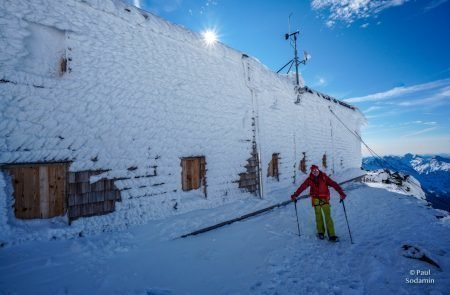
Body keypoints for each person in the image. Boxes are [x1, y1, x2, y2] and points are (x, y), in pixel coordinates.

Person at [291, 165, 346, 241]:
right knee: (318, 216)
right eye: (313, 171)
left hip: (324, 199)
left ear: (318, 170)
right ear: (311, 172)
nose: (315, 172)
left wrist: (341, 192)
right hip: (315, 199)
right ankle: (320, 233)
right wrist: (295, 195)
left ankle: (332, 235)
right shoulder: (309, 179)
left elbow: (333, 184)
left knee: (328, 217)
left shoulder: (324, 177)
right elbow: (302, 187)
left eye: (316, 170)